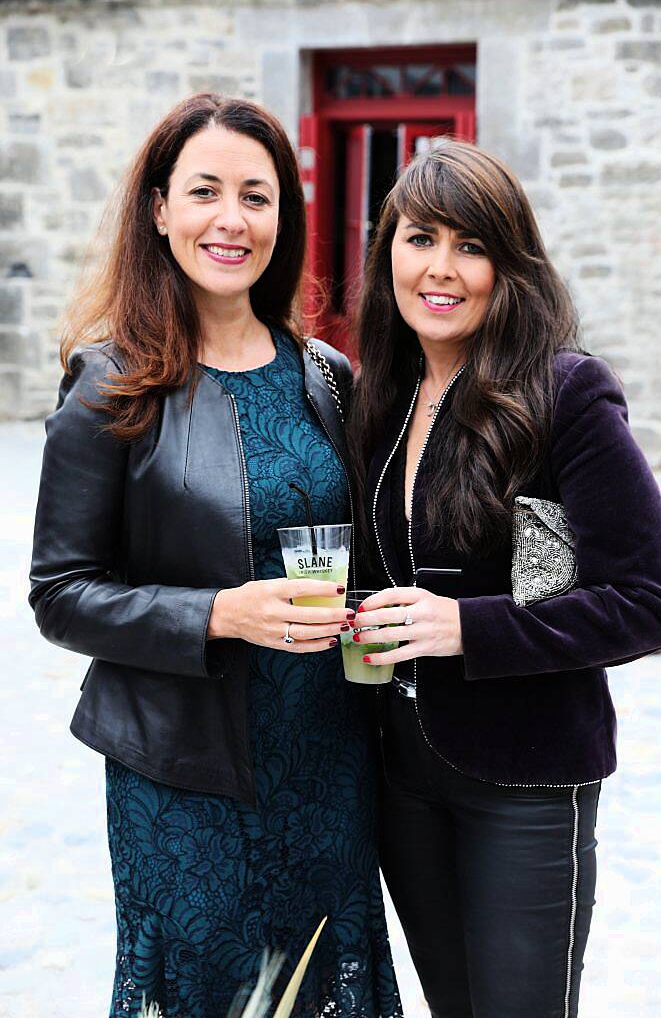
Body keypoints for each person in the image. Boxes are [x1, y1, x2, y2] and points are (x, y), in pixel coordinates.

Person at [29, 93, 402, 1018]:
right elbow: (60, 593)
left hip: (325, 758)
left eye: (257, 195)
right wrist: (214, 614)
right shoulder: (109, 381)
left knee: (322, 982)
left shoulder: (326, 375)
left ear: (286, 217)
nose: (231, 220)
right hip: (184, 775)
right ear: (159, 209)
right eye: (205, 191)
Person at [347, 139, 661, 1018]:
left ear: (510, 265)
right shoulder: (380, 396)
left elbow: (649, 601)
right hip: (404, 777)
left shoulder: (564, 392)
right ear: (387, 252)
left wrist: (468, 628)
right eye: (420, 239)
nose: (440, 269)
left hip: (527, 779)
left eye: (471, 245)